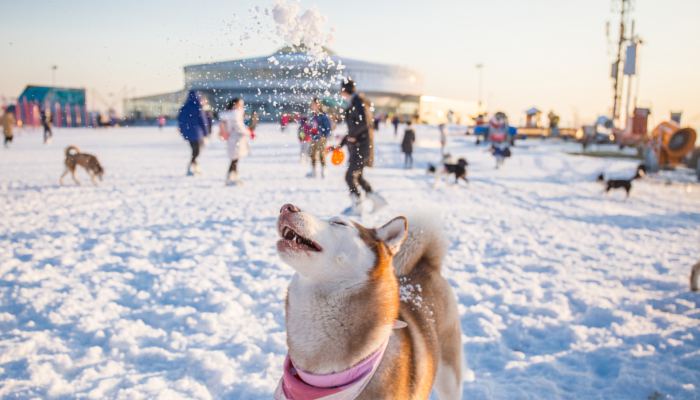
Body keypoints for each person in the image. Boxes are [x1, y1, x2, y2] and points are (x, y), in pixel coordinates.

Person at [337, 78, 386, 215]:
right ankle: (377, 201)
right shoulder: (356, 101)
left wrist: (352, 136)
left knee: (349, 177)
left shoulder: (358, 101)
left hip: (361, 146)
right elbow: (356, 126)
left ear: (344, 90)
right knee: (358, 177)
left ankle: (358, 206)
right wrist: (341, 144)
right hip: (360, 145)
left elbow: (365, 123)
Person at [219, 98, 251, 185]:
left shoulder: (227, 114)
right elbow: (239, 126)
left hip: (232, 138)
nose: (242, 106)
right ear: (235, 104)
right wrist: (247, 132)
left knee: (234, 158)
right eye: (240, 104)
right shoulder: (235, 113)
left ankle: (233, 176)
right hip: (236, 138)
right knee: (235, 158)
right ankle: (231, 177)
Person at [177, 90, 210, 176]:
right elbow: (203, 120)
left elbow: (180, 121)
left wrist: (183, 131)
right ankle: (191, 166)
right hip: (197, 132)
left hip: (188, 132)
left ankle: (194, 166)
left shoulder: (184, 107)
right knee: (196, 151)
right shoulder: (198, 107)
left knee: (194, 150)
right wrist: (206, 132)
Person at [307, 98, 332, 178]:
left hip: (321, 137)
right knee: (312, 154)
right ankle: (313, 171)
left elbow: (328, 127)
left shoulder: (323, 115)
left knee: (321, 154)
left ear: (318, 105)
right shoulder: (312, 115)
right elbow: (310, 126)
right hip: (313, 137)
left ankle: (323, 170)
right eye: (312, 104)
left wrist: (325, 135)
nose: (312, 106)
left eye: (314, 104)